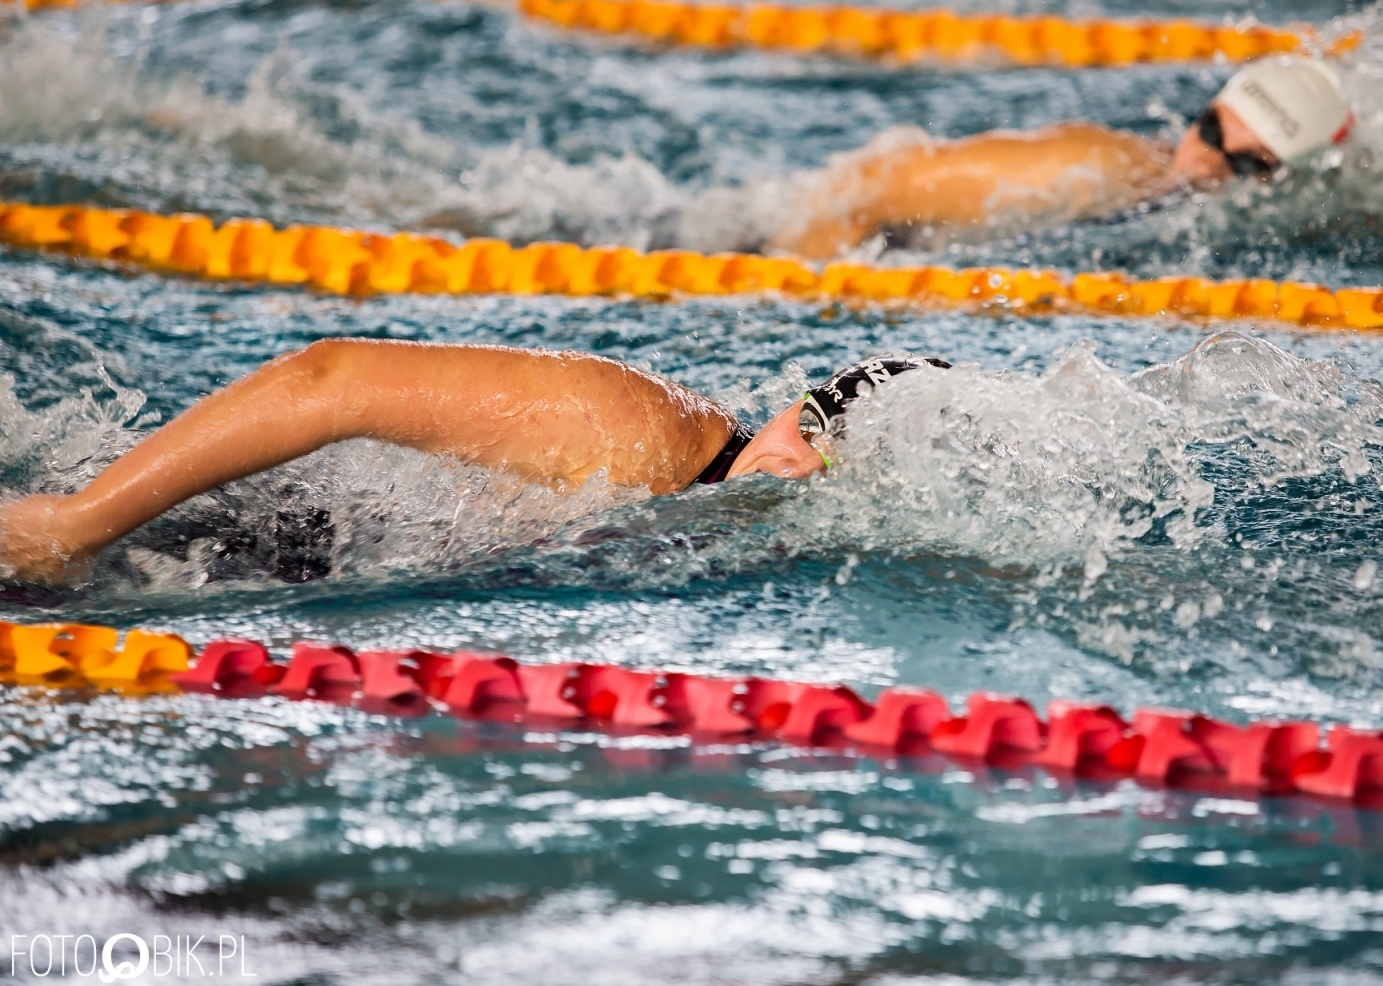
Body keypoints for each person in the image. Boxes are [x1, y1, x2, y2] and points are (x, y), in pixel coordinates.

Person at [0, 340, 947, 582]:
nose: (799, 469)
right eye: (814, 430)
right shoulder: (643, 431)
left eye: (843, 472)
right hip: (204, 524)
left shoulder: (746, 541)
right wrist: (78, 522)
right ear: (794, 404)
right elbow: (330, 379)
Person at [770, 55, 1353, 259]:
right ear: (1203, 110)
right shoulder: (1088, 167)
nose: (1205, 165)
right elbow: (868, 186)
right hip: (789, 235)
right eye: (1210, 131)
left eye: (1247, 165)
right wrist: (798, 284)